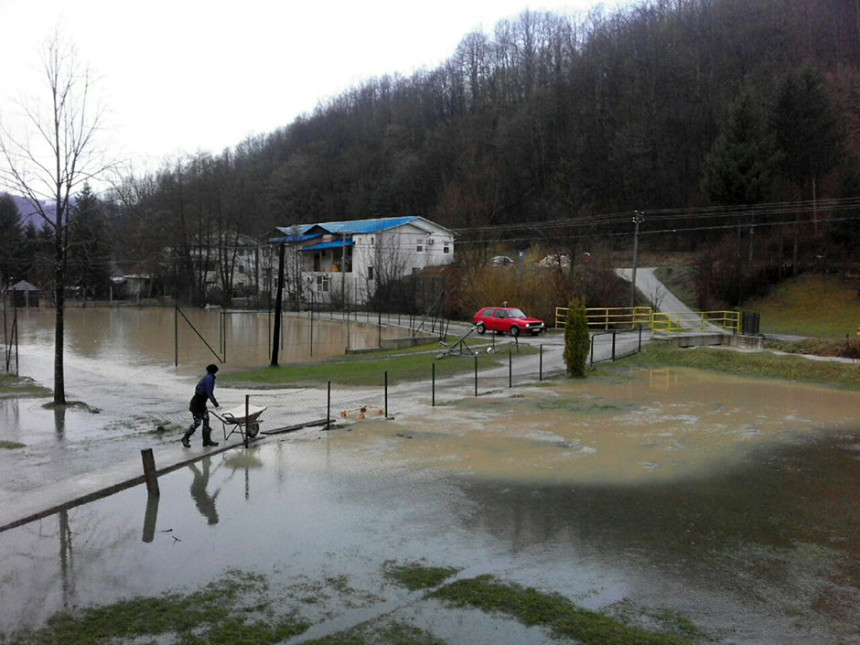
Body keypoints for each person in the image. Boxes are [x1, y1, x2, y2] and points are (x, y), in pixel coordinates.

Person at [182, 364, 220, 448]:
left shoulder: (208, 378)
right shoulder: (209, 379)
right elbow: (209, 393)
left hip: (201, 403)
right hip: (196, 404)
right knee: (197, 423)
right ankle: (185, 438)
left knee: (206, 420)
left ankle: (206, 440)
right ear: (215, 371)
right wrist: (216, 404)